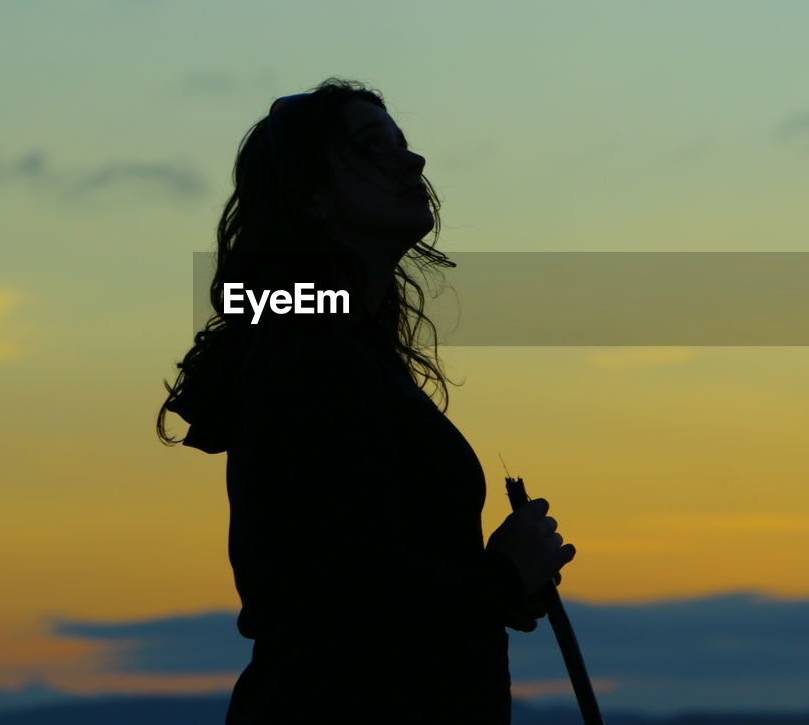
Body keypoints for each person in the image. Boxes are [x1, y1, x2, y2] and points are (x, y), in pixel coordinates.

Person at [158, 78, 576, 723]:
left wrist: (501, 589)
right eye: (371, 146)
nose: (413, 162)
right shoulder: (312, 354)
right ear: (314, 195)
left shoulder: (336, 345)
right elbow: (342, 593)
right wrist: (499, 579)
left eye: (404, 145)